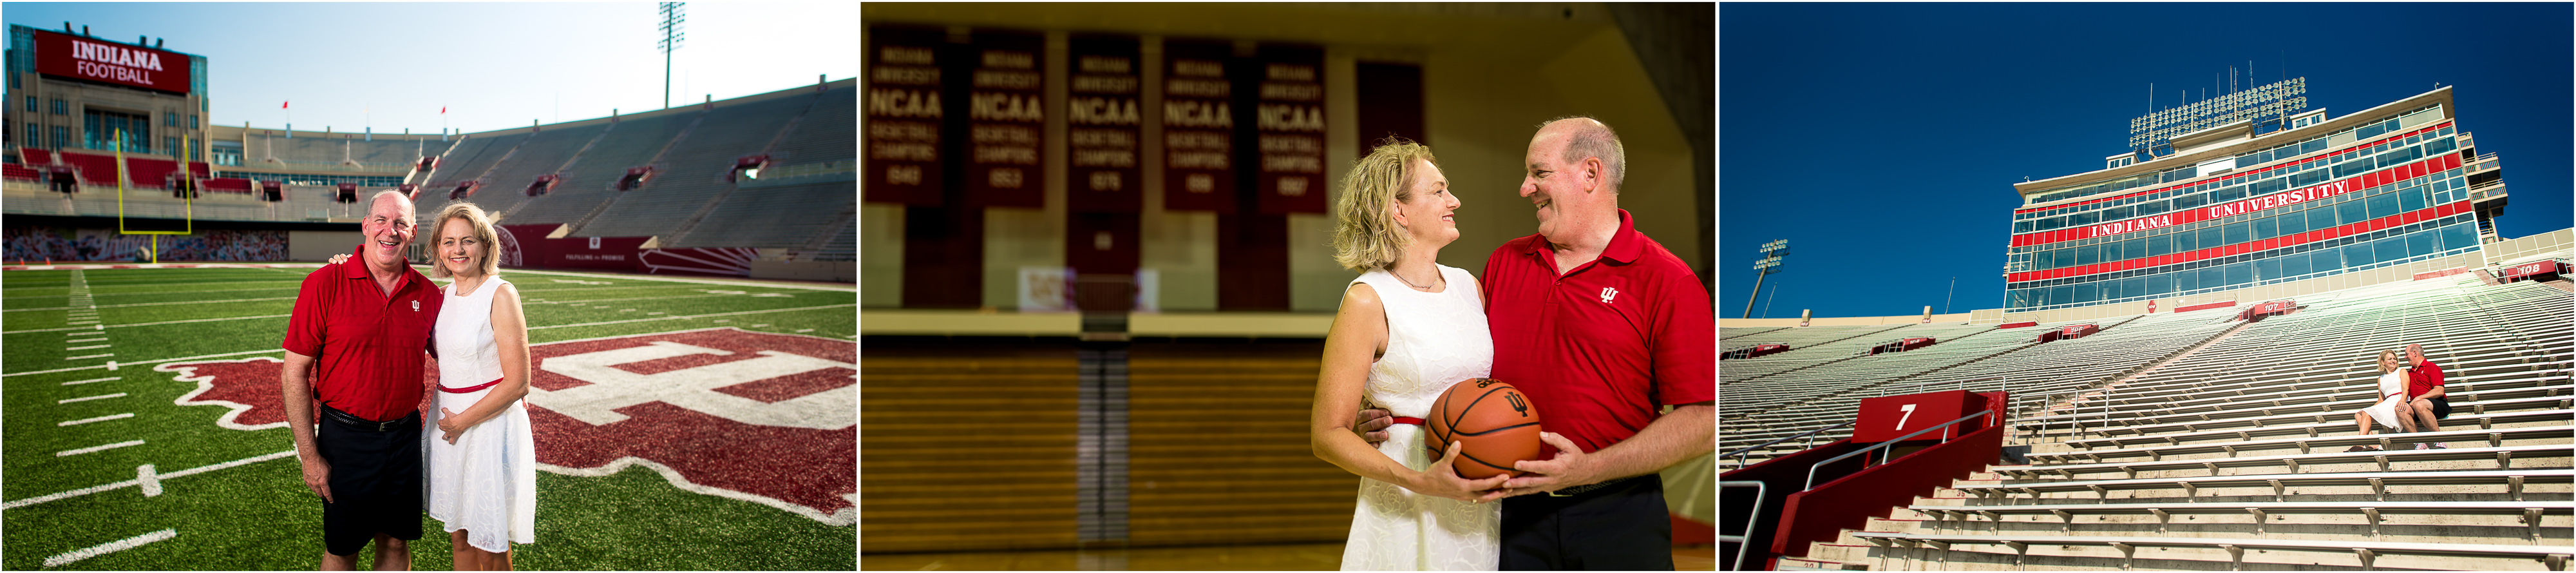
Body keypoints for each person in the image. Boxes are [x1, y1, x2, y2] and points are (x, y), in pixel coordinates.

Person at [1473, 117, 1715, 570]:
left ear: (1590, 173)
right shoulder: (1504, 263)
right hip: (1509, 518)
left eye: (1539, 173)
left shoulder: (1668, 280)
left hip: (1619, 515)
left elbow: (1703, 421)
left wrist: (1589, 468)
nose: (1526, 188)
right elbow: (1460, 367)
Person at [1311, 139, 1512, 570]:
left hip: (1474, 500)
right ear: (1398, 211)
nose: (1454, 200)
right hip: (1404, 498)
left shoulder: (1469, 286)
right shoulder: (1368, 300)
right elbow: (1327, 434)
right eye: (1438, 190)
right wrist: (1421, 481)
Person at [329, 202, 538, 570]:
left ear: (485, 246)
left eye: (467, 241)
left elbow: (520, 381)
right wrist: (348, 264)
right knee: (459, 533)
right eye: (448, 242)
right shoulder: (438, 298)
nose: (458, 250)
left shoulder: (500, 293)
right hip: (450, 427)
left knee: (490, 540)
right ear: (438, 249)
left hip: (486, 425)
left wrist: (462, 421)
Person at [282, 189, 444, 570]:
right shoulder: (324, 283)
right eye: (382, 221)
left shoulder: (429, 294)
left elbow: (459, 356)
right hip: (346, 438)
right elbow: (294, 374)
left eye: (401, 223)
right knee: (343, 548)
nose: (391, 231)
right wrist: (309, 456)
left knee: (395, 542)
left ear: (413, 232)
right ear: (366, 226)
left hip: (404, 436)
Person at [2346, 349, 2416, 452]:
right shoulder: (2381, 378)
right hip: (2387, 403)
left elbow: (2406, 388)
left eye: (2394, 359)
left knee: (2366, 413)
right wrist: (2368, 409)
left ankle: (2360, 444)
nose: (2393, 361)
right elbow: (2381, 400)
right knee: (2359, 414)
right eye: (2390, 359)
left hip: (2399, 400)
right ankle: (2373, 445)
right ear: (2383, 362)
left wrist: (2403, 400)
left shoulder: (2401, 371)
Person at [2403, 343, 2450, 449]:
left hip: (2438, 404)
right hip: (2418, 405)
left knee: (2419, 404)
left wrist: (2419, 397)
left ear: (2415, 353)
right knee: (2400, 409)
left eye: (2407, 354)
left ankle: (2439, 440)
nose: (2405, 357)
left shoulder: (2431, 367)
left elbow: (2439, 391)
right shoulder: (2409, 373)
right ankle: (2419, 442)